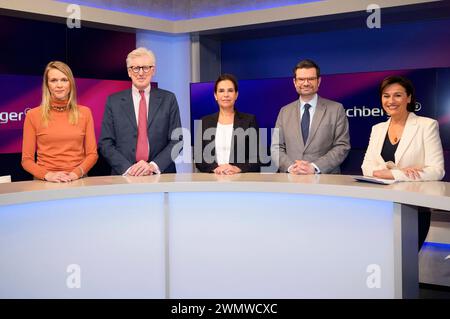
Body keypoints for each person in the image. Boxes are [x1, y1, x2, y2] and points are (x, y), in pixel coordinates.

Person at [361, 75, 445, 249]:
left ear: (409, 98)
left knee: (405, 262)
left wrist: (393, 174)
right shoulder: (377, 129)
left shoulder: (426, 125)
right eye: (386, 96)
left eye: (397, 95)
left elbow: (437, 170)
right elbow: (366, 167)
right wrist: (395, 170)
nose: (391, 100)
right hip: (379, 207)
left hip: (413, 208)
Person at [99, 47, 182, 175]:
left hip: (161, 175)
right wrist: (128, 168)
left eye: (145, 68)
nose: (141, 73)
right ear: (129, 72)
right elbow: (105, 143)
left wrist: (153, 166)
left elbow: (178, 140)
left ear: (153, 70)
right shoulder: (113, 101)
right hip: (124, 175)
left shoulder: (168, 99)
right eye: (135, 68)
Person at [21, 61, 98, 182]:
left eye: (64, 80)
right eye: (53, 80)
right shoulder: (33, 115)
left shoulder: (85, 113)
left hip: (77, 179)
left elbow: (92, 155)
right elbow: (26, 160)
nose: (59, 85)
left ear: (70, 84)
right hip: (45, 181)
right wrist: (48, 175)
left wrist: (74, 174)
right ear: (47, 85)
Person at [271, 59, 350, 174]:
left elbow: (342, 146)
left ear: (319, 81)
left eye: (311, 79)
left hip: (325, 180)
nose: (306, 83)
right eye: (301, 79)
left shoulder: (336, 109)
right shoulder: (284, 111)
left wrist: (314, 167)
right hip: (291, 179)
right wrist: (291, 167)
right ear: (295, 82)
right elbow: (276, 147)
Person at [195, 74, 260, 174]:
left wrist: (237, 168)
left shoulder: (249, 120)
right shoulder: (204, 122)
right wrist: (216, 168)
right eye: (221, 91)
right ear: (215, 95)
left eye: (230, 90)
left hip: (240, 181)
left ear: (236, 95)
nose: (226, 95)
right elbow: (199, 158)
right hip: (212, 180)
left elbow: (256, 158)